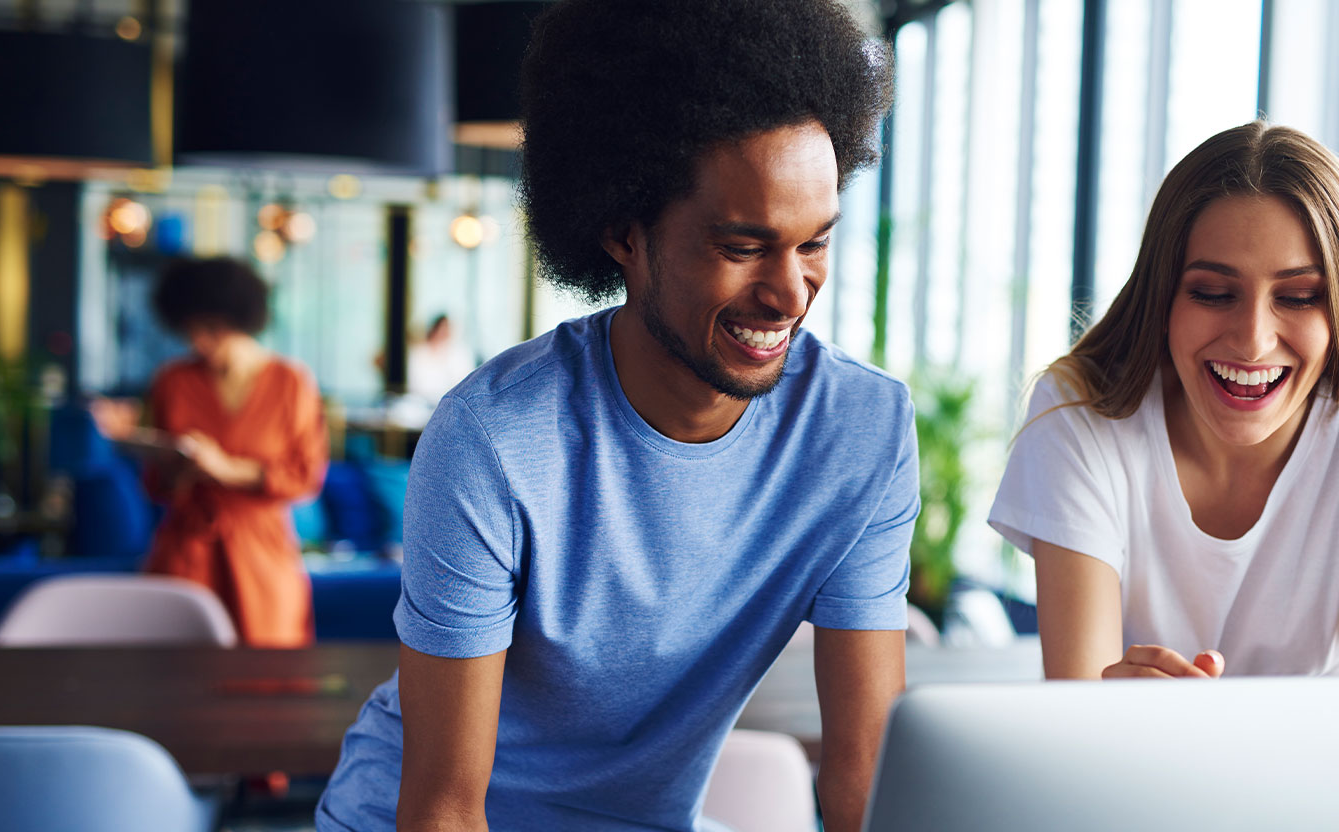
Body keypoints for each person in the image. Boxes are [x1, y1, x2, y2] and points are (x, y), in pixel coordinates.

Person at [316, 1, 911, 830]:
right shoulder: (494, 439)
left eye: (813, 242)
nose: (788, 292)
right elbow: (443, 807)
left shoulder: (862, 432)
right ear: (623, 232)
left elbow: (867, 768)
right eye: (743, 247)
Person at [989, 121, 1339, 680]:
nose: (1253, 339)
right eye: (1212, 293)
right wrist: (1109, 711)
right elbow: (1076, 714)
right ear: (1162, 300)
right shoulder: (1081, 413)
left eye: (1300, 297)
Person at [144, 257, 328, 648]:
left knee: (266, 674)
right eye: (190, 330)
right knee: (174, 671)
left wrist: (226, 469)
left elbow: (304, 478)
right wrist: (177, 467)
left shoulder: (291, 383)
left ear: (240, 322)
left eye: (211, 329)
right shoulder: (173, 381)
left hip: (262, 552)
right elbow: (156, 484)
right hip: (187, 549)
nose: (199, 342)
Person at [405, 313, 476, 403]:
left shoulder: (459, 354)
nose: (443, 335)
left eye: (446, 331)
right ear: (433, 330)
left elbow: (464, 383)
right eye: (441, 331)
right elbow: (414, 386)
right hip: (420, 402)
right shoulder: (418, 353)